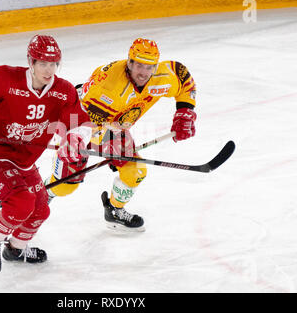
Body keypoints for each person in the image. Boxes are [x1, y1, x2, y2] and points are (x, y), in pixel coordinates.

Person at [0, 34, 92, 277]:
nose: (48, 70)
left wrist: (75, 139)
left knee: (40, 210)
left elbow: (80, 123)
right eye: (42, 63)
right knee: (21, 203)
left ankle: (15, 249)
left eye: (53, 64)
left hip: (23, 161)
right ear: (31, 61)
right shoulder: (5, 77)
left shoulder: (64, 91)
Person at [45, 38, 197, 232]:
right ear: (129, 62)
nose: (144, 72)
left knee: (135, 170)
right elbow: (84, 122)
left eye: (149, 67)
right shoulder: (109, 86)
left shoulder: (161, 77)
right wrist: (79, 142)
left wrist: (185, 111)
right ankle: (45, 192)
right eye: (139, 65)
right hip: (77, 122)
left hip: (112, 127)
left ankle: (114, 211)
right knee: (65, 186)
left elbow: (181, 75)